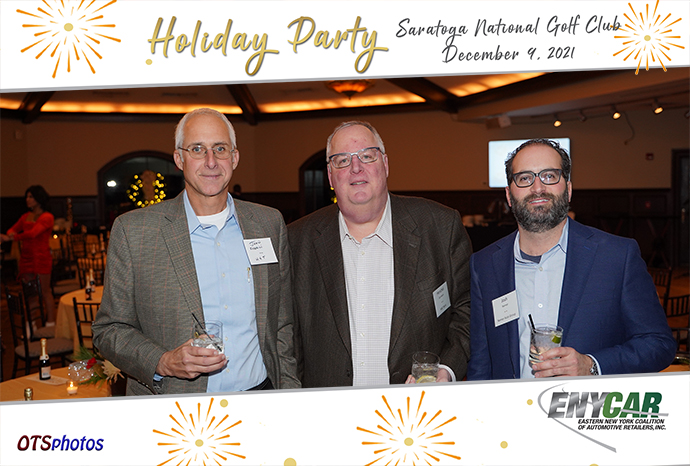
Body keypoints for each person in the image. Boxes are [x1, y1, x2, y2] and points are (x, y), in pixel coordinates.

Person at [92, 108, 299, 395]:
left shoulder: (268, 224)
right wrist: (163, 362)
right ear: (179, 159)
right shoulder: (135, 232)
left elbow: (282, 324)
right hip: (177, 403)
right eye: (198, 149)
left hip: (260, 395)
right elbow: (109, 329)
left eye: (220, 149)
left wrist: (289, 390)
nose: (211, 161)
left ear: (235, 157)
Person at [467, 139, 676, 380]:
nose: (537, 188)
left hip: (588, 403)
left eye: (549, 176)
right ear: (509, 195)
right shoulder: (484, 265)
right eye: (524, 178)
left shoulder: (617, 257)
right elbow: (481, 362)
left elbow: (658, 344)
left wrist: (592, 365)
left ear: (568, 190)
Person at [288, 121, 472, 387]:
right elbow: (287, 335)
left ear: (385, 164)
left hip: (415, 403)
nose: (355, 167)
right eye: (342, 160)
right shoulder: (296, 240)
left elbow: (467, 309)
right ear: (330, 175)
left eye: (367, 156)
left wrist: (446, 369)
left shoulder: (440, 226)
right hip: (328, 405)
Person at [1, 185, 56, 324]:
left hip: (41, 258)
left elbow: (33, 234)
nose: (27, 199)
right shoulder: (26, 216)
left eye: (31, 196)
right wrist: (10, 235)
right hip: (26, 258)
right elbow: (12, 229)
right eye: (27, 196)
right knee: (30, 294)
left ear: (38, 198)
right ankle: (31, 325)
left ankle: (50, 323)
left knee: (45, 291)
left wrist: (12, 238)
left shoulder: (47, 217)